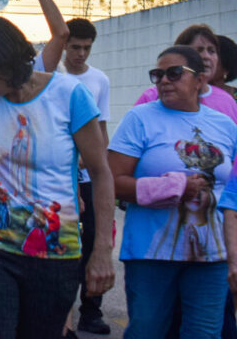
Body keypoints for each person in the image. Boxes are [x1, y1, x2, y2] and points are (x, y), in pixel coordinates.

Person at [0, 15, 114, 339]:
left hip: (54, 253)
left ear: (1, 63)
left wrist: (102, 249)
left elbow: (101, 174)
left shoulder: (69, 95)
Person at [110, 46, 235, 337]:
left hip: (212, 254)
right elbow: (113, 181)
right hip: (152, 253)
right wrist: (173, 187)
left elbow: (233, 188)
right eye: (158, 75)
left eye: (174, 73)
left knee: (204, 334)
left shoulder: (225, 125)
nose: (164, 80)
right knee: (147, 331)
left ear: (200, 81)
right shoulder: (139, 119)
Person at [57, 18, 113, 337]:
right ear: (64, 44)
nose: (81, 53)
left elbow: (101, 128)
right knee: (66, 242)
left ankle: (91, 310)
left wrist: (102, 171)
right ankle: (61, 313)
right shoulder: (53, 76)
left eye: (87, 48)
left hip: (89, 176)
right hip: (62, 176)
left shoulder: (99, 80)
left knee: (92, 239)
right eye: (75, 47)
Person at [134, 25, 237, 124]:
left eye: (211, 51)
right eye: (199, 50)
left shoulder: (227, 101)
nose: (206, 56)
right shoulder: (151, 97)